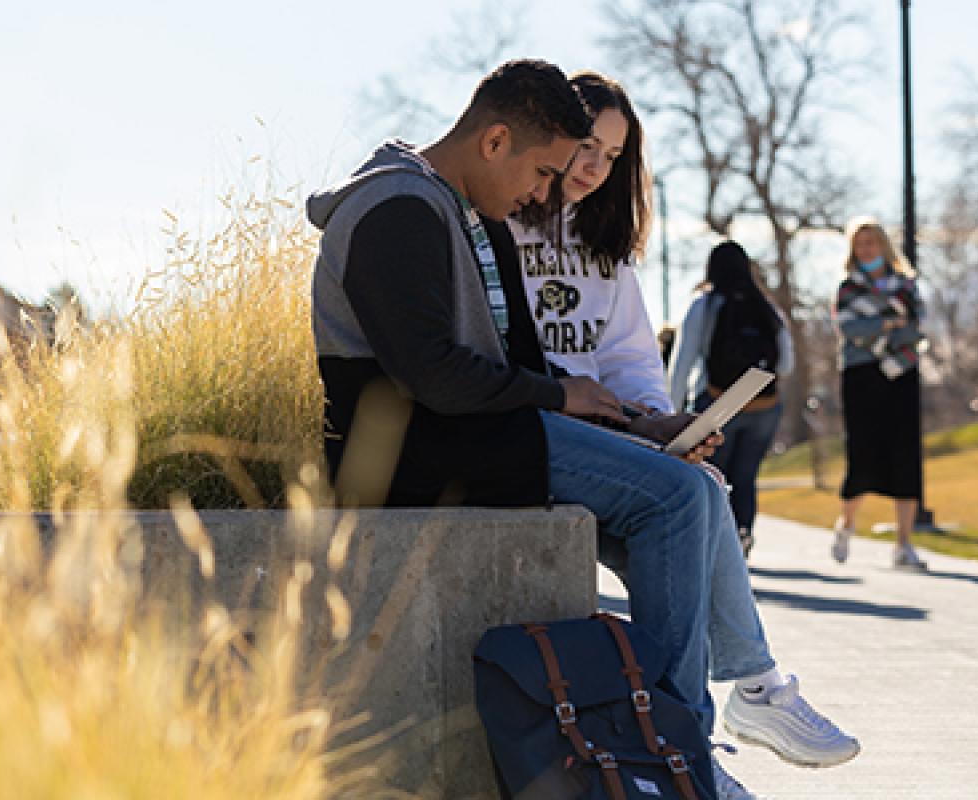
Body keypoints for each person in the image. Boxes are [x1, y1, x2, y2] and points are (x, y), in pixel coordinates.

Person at [308, 60, 857, 800]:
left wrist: (638, 424)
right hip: (419, 450)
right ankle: (679, 748)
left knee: (691, 486)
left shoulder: (477, 217)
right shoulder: (396, 209)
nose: (545, 195)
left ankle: (680, 744)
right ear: (495, 141)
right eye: (543, 172)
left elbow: (525, 365)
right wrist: (558, 396)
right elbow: (430, 376)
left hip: (486, 432)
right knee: (675, 501)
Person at [498, 70, 854, 799]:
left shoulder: (605, 251)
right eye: (587, 147)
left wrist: (665, 423)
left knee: (699, 484)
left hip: (608, 432)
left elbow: (630, 361)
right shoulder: (504, 222)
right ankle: (724, 710)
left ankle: (705, 729)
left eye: (614, 155)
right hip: (537, 429)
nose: (595, 167)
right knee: (688, 499)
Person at [668, 241, 795, 557]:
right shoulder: (766, 308)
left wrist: (671, 410)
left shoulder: (705, 305)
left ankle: (715, 540)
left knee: (712, 475)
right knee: (746, 474)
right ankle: (743, 534)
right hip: (764, 406)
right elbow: (786, 364)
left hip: (717, 402)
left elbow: (683, 361)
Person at [830, 217, 928, 569]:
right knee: (862, 452)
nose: (866, 249)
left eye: (872, 242)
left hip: (901, 373)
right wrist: (889, 323)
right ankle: (846, 523)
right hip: (861, 377)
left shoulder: (906, 285)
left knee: (905, 456)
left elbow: (917, 328)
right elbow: (848, 329)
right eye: (860, 243)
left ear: (884, 245)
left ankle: (904, 544)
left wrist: (877, 332)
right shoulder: (847, 288)